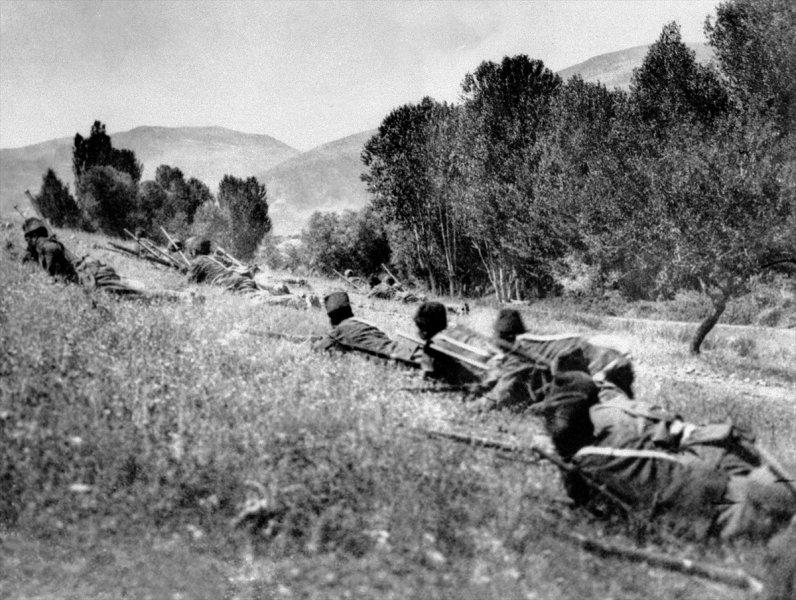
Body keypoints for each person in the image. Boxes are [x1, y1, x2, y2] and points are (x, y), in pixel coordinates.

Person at [538, 370, 796, 541]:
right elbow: (684, 467)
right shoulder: (612, 444)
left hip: (711, 511)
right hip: (725, 504)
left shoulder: (583, 466)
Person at [474, 308, 634, 412]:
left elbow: (502, 392)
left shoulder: (519, 349)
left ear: (506, 337)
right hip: (615, 360)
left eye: (498, 338)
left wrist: (476, 406)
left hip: (601, 369)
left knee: (616, 417)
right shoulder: (534, 339)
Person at [313, 291, 416, 362]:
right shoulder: (364, 323)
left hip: (398, 361)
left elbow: (317, 349)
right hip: (406, 351)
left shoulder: (339, 330)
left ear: (332, 318)